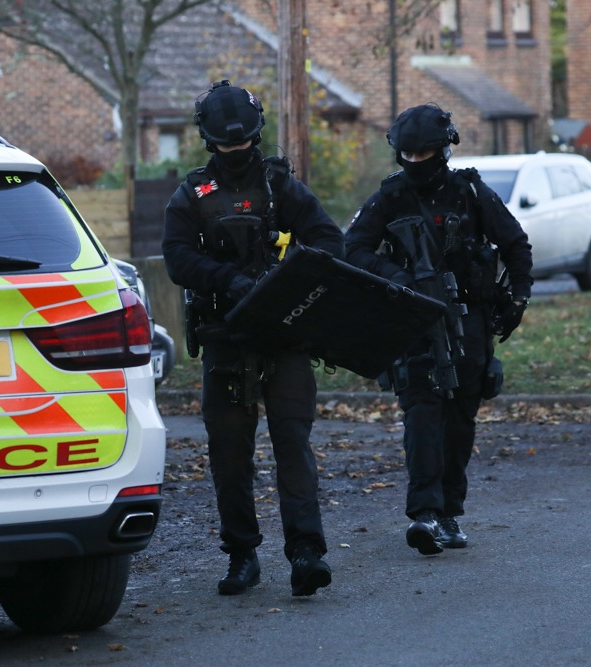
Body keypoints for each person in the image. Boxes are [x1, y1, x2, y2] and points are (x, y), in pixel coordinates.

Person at [162, 81, 344, 597]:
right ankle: (242, 555)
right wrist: (226, 279)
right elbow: (177, 257)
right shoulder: (193, 194)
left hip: (283, 334)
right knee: (229, 453)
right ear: (210, 140)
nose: (236, 149)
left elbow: (329, 240)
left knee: (293, 444)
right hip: (225, 335)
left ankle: (306, 552)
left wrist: (287, 280)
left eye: (241, 142)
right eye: (228, 143)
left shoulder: (281, 186)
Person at [343, 104, 533, 555]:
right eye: (407, 155)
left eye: (422, 154)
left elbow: (515, 243)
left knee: (460, 419)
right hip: (412, 319)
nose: (414, 163)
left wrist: (518, 298)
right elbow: (353, 249)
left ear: (443, 150)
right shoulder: (390, 196)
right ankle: (425, 514)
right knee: (422, 416)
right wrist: (398, 277)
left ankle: (448, 512)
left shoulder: (470, 192)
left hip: (468, 319)